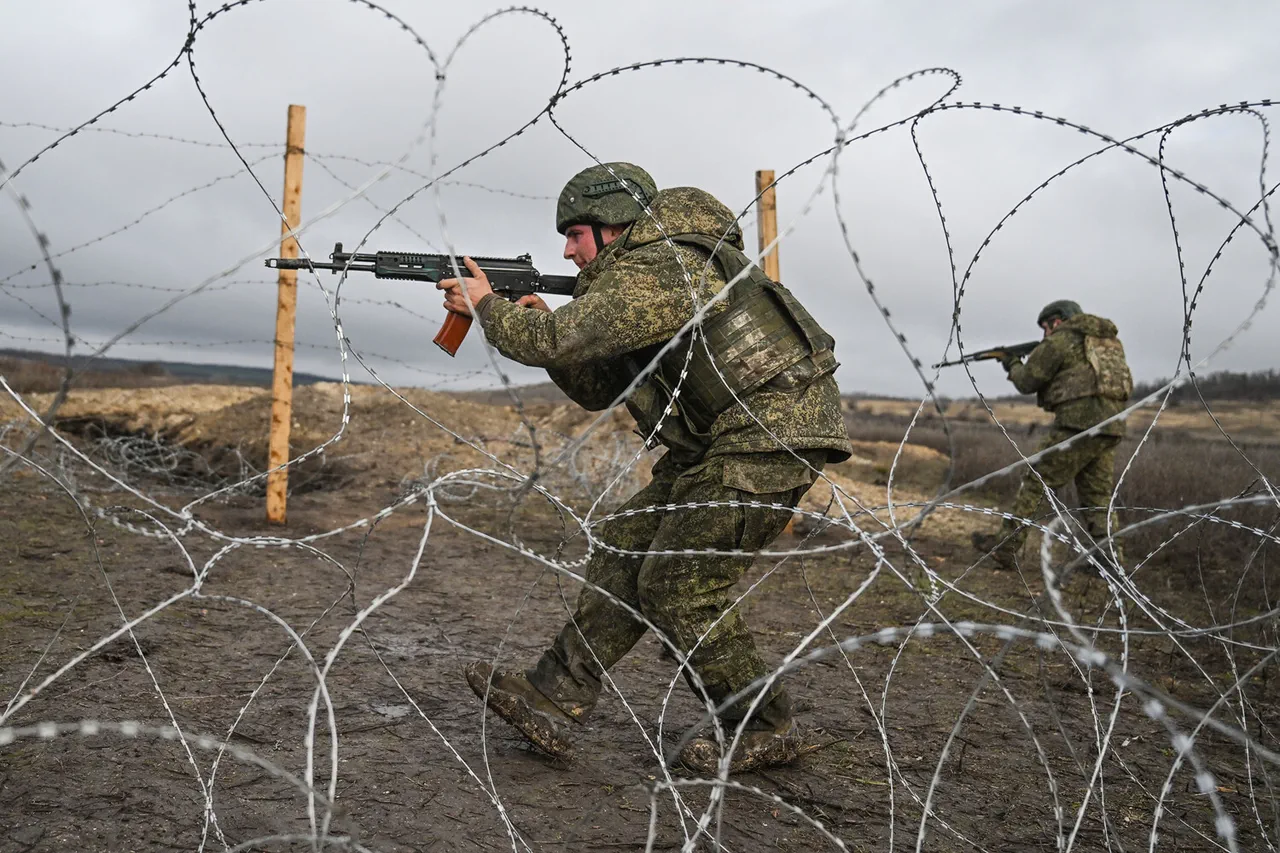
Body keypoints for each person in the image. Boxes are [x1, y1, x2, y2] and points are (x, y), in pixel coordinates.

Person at [436, 162, 852, 773]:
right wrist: (529, 317)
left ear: (612, 226)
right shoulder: (638, 282)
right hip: (716, 446)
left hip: (767, 439)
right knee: (624, 548)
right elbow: (599, 387)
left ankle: (762, 727)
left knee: (679, 582)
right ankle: (553, 695)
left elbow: (550, 340)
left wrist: (492, 308)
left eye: (575, 234)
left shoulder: (667, 266)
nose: (567, 250)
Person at [971, 300, 1133, 574]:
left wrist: (1011, 362)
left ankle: (1005, 547)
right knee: (1098, 496)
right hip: (1111, 426)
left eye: (1045, 327)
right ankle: (1110, 561)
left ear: (1056, 321)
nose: (1044, 334)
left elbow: (1027, 381)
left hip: (1077, 424)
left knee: (1036, 480)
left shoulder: (1061, 340)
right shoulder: (1107, 342)